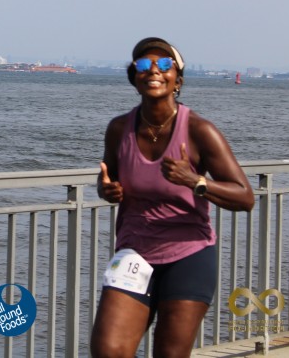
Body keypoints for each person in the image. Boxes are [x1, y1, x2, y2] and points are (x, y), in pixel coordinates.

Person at [91, 37, 255, 358]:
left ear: (177, 79)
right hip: (134, 254)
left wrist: (195, 181)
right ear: (134, 78)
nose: (154, 70)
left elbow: (245, 196)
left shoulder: (199, 130)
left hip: (188, 256)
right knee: (108, 351)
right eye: (144, 64)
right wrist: (107, 190)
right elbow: (107, 179)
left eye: (164, 65)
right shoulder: (119, 129)